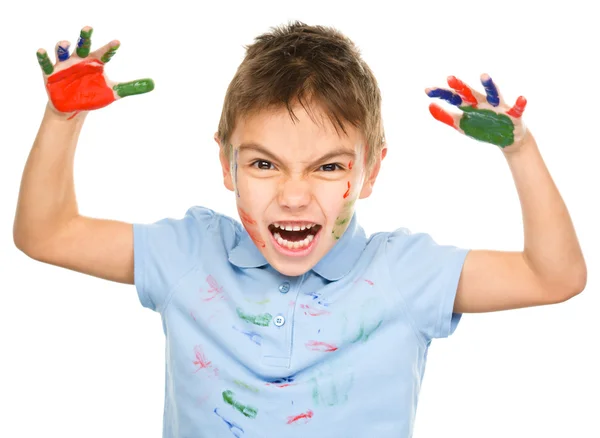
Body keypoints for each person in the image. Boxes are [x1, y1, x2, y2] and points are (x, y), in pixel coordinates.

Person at [13, 21, 587, 438]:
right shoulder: (189, 254)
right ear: (226, 165)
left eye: (329, 166)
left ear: (370, 172)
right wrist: (63, 119)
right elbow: (47, 233)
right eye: (263, 164)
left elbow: (553, 276)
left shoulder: (404, 273)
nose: (293, 195)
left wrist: (521, 151)